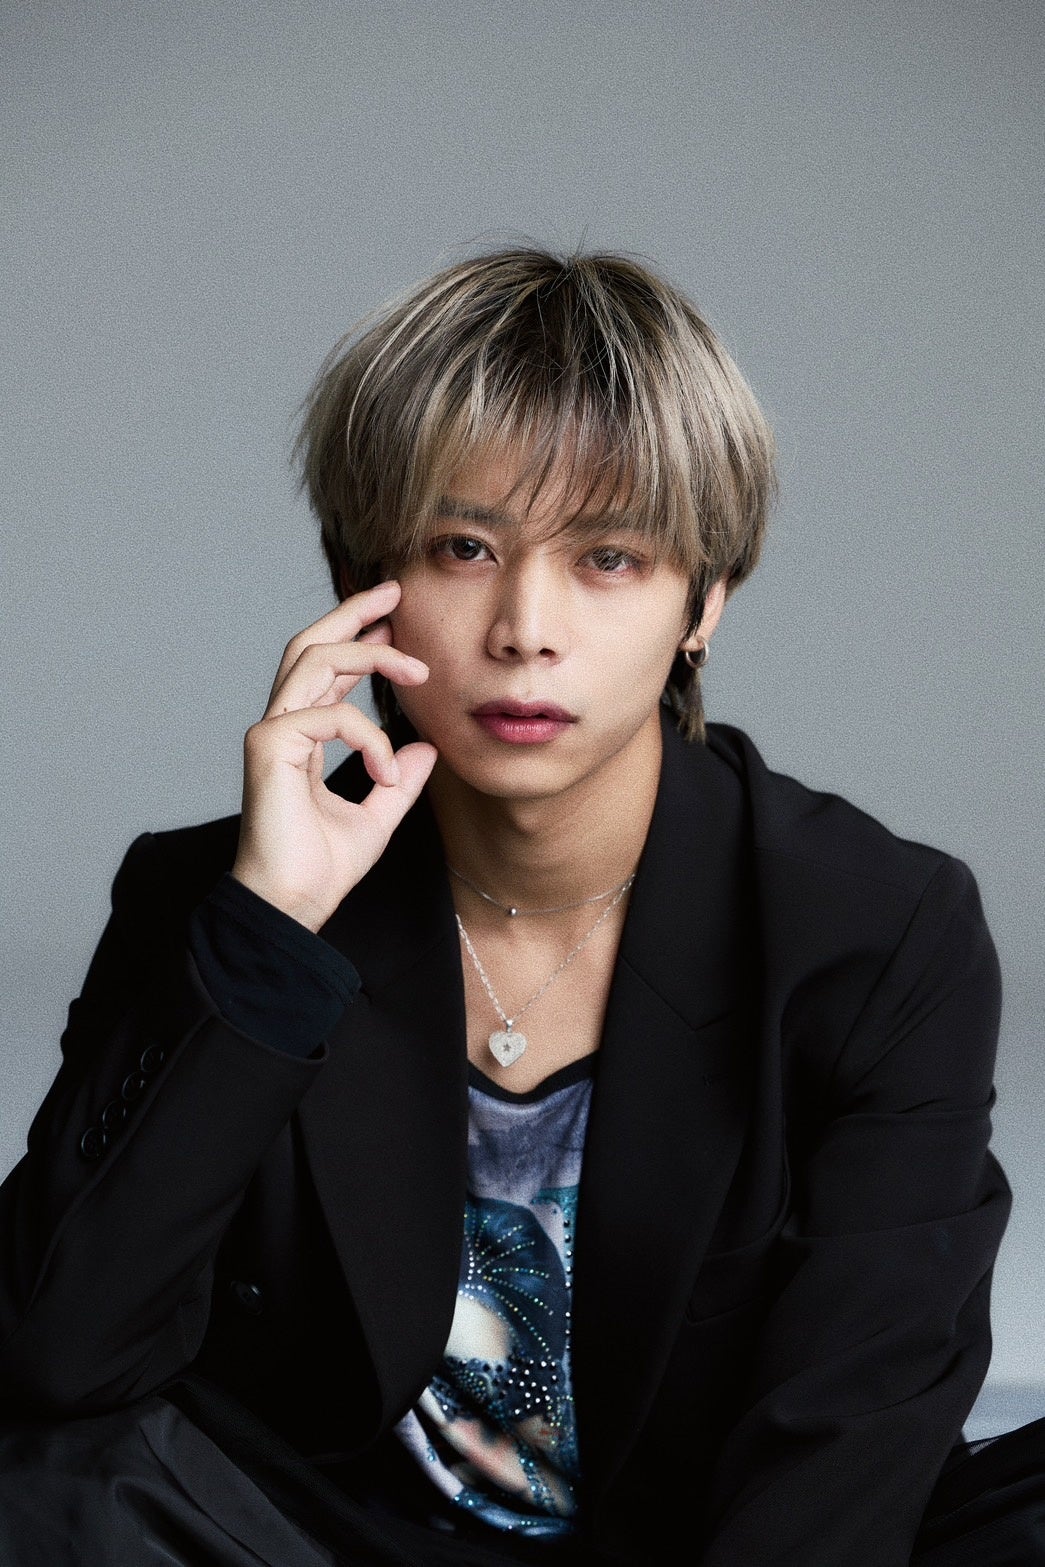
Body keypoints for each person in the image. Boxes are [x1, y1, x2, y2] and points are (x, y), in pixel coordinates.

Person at [0, 247, 1037, 1566]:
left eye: (608, 557)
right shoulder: (219, 900)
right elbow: (57, 1364)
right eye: (464, 548)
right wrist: (271, 931)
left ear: (704, 601)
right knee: (48, 1489)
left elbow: (851, 1428)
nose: (525, 628)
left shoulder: (875, 930)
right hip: (335, 1544)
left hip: (712, 1547)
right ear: (364, 583)